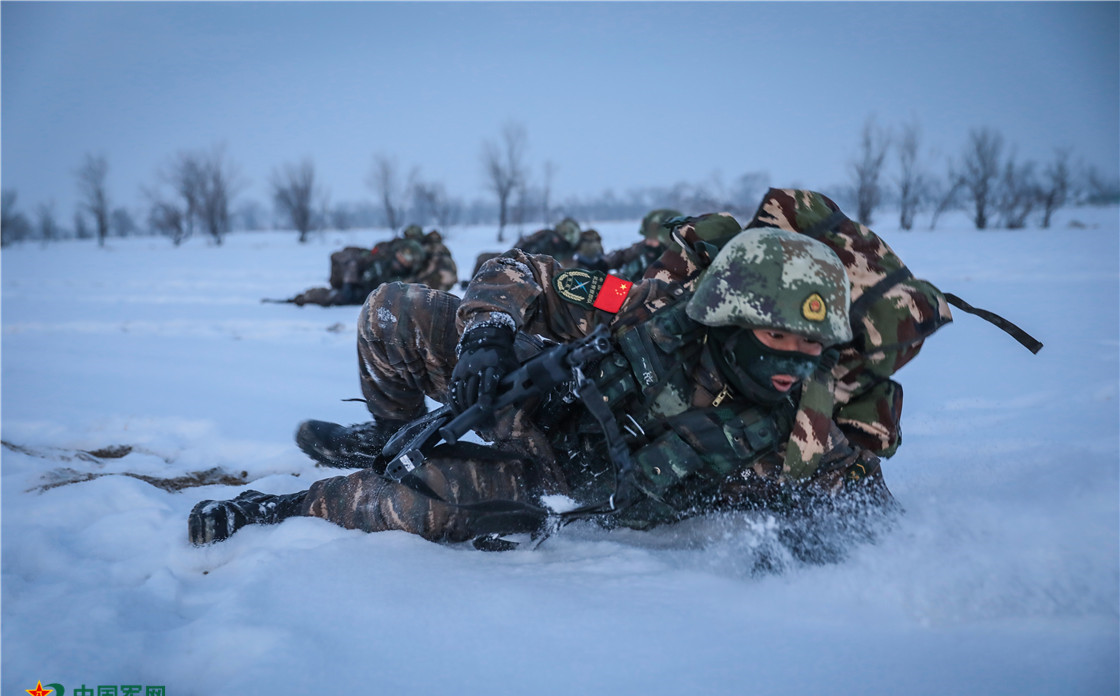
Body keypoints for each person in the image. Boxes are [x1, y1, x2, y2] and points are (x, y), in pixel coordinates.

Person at [190, 226, 897, 562]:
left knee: (435, 510)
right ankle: (389, 430)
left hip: (560, 481)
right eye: (780, 340)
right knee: (390, 311)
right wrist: (487, 336)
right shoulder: (647, 307)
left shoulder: (798, 428)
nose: (797, 362)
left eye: (813, 347)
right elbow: (524, 267)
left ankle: (280, 509)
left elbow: (863, 507)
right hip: (524, 388)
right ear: (729, 316)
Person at [282, 224, 458, 306]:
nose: (403, 259)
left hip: (369, 292)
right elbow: (356, 260)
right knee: (334, 297)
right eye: (402, 255)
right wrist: (349, 284)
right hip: (358, 283)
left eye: (407, 259)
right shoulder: (384, 255)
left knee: (337, 298)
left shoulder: (406, 273)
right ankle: (303, 297)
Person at [468, 217, 602, 280]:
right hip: (522, 263)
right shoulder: (550, 238)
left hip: (528, 266)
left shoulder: (557, 241)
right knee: (484, 258)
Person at [581, 207, 682, 282]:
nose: (647, 242)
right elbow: (624, 255)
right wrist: (603, 263)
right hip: (627, 297)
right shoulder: (644, 248)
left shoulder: (682, 261)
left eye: (652, 238)